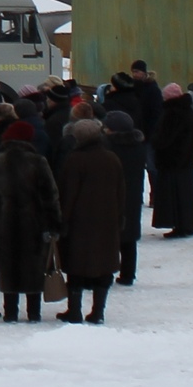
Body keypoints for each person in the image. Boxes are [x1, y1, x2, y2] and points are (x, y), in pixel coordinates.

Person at [0, 119, 59, 323]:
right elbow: (50, 196)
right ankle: (33, 312)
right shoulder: (38, 161)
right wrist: (54, 224)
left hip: (5, 221)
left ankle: (10, 311)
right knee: (34, 264)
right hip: (34, 221)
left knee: (8, 264)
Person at [57, 117, 124, 324]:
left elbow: (68, 194)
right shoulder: (112, 158)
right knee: (104, 266)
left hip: (80, 223)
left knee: (76, 266)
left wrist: (62, 221)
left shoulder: (75, 160)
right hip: (107, 220)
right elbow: (121, 191)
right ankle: (98, 312)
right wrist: (120, 217)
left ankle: (74, 311)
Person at [103, 109, 150, 285]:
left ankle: (105, 272)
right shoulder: (138, 146)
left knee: (108, 235)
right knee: (129, 236)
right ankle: (128, 273)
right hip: (133, 194)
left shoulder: (109, 147)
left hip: (112, 194)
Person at [150, 81, 193, 238]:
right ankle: (188, 224)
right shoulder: (187, 110)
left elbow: (165, 138)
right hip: (186, 160)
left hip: (172, 160)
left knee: (174, 196)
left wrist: (154, 141)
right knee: (186, 195)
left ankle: (179, 226)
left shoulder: (172, 113)